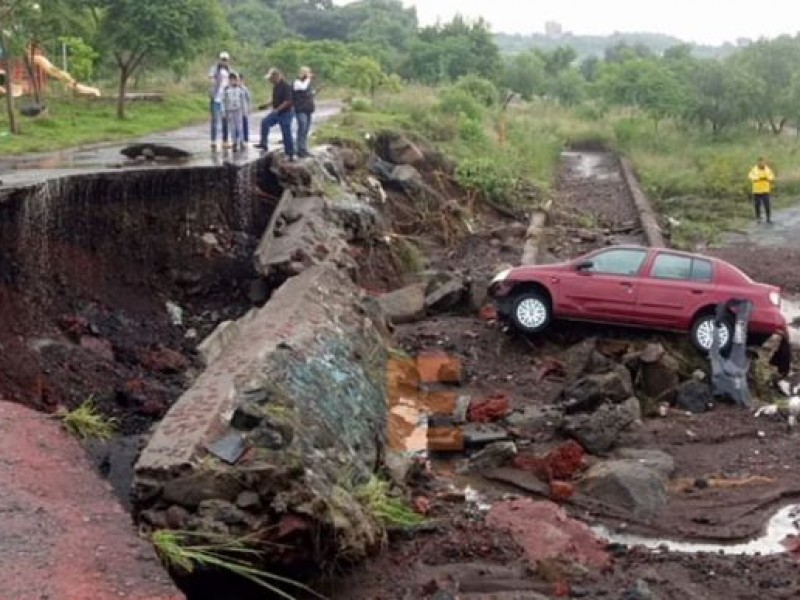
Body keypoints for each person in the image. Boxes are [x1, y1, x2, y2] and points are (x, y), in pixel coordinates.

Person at [255, 68, 294, 159]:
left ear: (276, 76)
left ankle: (290, 153)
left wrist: (277, 109)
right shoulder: (276, 86)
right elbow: (275, 99)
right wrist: (266, 105)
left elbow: (288, 101)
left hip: (286, 113)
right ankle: (263, 143)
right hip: (277, 112)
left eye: (270, 78)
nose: (269, 80)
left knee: (286, 133)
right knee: (265, 122)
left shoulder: (286, 86)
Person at [208, 51, 231, 150]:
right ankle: (213, 140)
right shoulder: (215, 69)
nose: (224, 61)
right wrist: (213, 80)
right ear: (219, 59)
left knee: (225, 119)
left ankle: (225, 141)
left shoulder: (229, 70)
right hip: (216, 97)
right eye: (222, 59)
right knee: (214, 119)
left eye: (225, 59)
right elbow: (211, 77)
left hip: (225, 98)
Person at [292, 66, 315, 158]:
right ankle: (299, 149)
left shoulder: (307, 83)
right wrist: (308, 79)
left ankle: (304, 148)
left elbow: (307, 92)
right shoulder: (297, 82)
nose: (309, 75)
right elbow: (302, 87)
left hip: (308, 109)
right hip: (300, 109)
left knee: (306, 130)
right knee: (302, 127)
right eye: (308, 73)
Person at [222, 72, 247, 152]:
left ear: (237, 80)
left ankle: (242, 141)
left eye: (235, 80)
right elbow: (224, 101)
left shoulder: (240, 90)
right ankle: (234, 142)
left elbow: (243, 101)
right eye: (231, 80)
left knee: (239, 126)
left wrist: (244, 111)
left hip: (238, 110)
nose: (233, 82)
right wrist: (224, 112)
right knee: (232, 127)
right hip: (230, 110)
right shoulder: (227, 91)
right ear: (229, 81)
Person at [748, 157, 775, 223]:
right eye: (760, 162)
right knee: (757, 205)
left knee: (767, 204)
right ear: (758, 162)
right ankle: (758, 218)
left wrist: (768, 178)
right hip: (756, 190)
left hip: (765, 189)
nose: (762, 163)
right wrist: (756, 178)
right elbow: (750, 176)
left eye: (763, 162)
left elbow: (772, 176)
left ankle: (768, 218)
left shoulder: (767, 169)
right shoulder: (754, 169)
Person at [240, 74, 252, 144]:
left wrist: (249, 108)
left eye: (241, 80)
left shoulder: (245, 89)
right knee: (238, 125)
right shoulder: (235, 88)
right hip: (237, 110)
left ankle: (246, 139)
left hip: (244, 109)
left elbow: (249, 99)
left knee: (245, 124)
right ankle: (240, 139)